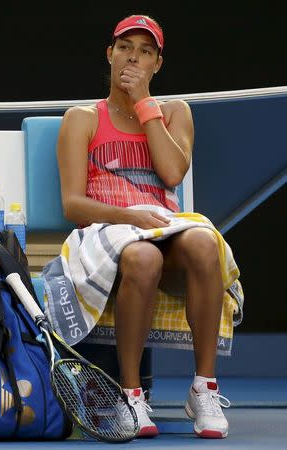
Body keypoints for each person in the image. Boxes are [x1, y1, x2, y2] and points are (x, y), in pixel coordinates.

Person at [56, 14, 231, 439]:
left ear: (157, 64)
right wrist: (129, 215)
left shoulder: (174, 112)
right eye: (125, 48)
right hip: (108, 231)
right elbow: (73, 205)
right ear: (109, 54)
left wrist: (145, 103)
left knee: (207, 243)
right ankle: (131, 396)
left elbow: (172, 174)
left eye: (145, 52)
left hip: (162, 225)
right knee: (142, 255)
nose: (133, 58)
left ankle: (204, 387)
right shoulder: (82, 117)